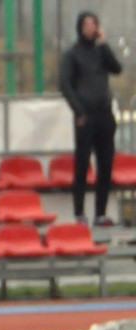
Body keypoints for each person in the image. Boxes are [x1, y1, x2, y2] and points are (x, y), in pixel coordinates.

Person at [60, 11, 123, 227]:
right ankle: (79, 212)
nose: (90, 28)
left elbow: (117, 68)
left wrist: (104, 44)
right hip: (85, 116)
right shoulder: (72, 54)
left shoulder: (100, 52)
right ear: (80, 27)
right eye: (86, 24)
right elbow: (65, 85)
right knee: (82, 165)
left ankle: (101, 213)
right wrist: (78, 110)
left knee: (105, 165)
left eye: (93, 24)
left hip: (104, 114)